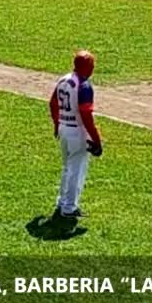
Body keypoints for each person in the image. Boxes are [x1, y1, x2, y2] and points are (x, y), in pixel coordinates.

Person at [48, 50, 102, 223]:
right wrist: (96, 139)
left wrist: (57, 124)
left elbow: (53, 103)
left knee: (67, 167)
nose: (93, 68)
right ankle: (69, 207)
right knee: (76, 170)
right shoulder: (84, 86)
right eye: (92, 65)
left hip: (64, 127)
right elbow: (86, 115)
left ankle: (62, 201)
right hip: (76, 131)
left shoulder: (64, 79)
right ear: (86, 66)